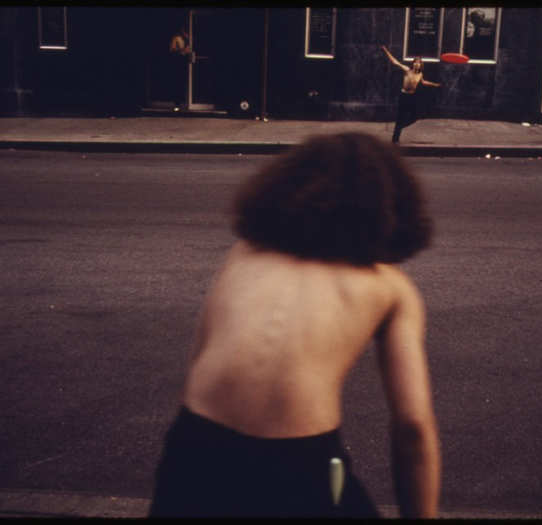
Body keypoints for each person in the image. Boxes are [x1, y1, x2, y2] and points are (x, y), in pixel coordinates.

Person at [149, 132, 441, 518]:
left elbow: (199, 356)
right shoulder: (390, 288)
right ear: (390, 209)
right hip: (302, 464)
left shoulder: (244, 253)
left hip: (198, 446)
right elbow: (413, 428)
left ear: (288, 189)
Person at [381, 45, 441, 143]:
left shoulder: (420, 74)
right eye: (415, 62)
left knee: (415, 115)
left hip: (412, 97)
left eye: (419, 63)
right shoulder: (407, 70)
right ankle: (395, 139)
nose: (417, 64)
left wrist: (434, 84)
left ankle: (400, 126)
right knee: (400, 116)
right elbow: (394, 62)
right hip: (403, 96)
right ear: (413, 64)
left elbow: (423, 82)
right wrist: (386, 51)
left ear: (421, 65)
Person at [168, 26, 192, 112]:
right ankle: (177, 104)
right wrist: (182, 51)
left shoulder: (187, 38)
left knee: (183, 83)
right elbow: (173, 49)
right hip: (177, 62)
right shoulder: (176, 38)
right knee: (177, 83)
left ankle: (183, 103)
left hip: (184, 62)